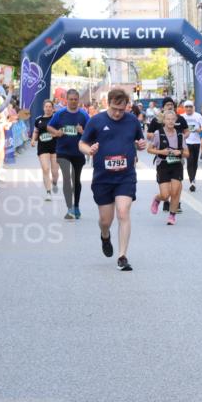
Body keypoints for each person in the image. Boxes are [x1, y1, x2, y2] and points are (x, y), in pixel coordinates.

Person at [79, 88, 147, 271]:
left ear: (127, 106)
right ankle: (104, 235)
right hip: (103, 177)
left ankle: (122, 256)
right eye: (114, 108)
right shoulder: (96, 121)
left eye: (121, 109)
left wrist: (142, 145)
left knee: (123, 212)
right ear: (107, 103)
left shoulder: (132, 121)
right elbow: (82, 143)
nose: (118, 113)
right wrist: (89, 150)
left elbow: (141, 142)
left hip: (125, 176)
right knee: (105, 220)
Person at [49, 89, 91, 220]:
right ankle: (69, 208)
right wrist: (56, 132)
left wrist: (82, 131)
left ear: (78, 100)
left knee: (76, 180)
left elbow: (91, 133)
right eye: (71, 99)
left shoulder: (84, 115)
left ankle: (76, 206)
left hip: (78, 152)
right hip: (63, 152)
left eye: (75, 99)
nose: (73, 101)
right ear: (66, 100)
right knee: (67, 178)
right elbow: (49, 127)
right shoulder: (60, 114)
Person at [147, 110, 186, 225]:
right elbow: (149, 149)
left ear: (175, 121)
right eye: (168, 119)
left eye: (172, 119)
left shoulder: (180, 134)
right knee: (165, 194)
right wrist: (162, 152)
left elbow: (187, 153)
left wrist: (180, 152)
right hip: (163, 164)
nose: (170, 121)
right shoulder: (158, 134)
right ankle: (157, 199)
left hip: (177, 165)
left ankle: (172, 215)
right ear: (164, 120)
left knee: (175, 192)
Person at [30, 99, 60, 198]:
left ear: (53, 108)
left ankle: (54, 182)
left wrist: (55, 134)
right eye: (46, 107)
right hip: (43, 147)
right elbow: (36, 131)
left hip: (55, 147)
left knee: (55, 172)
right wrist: (33, 140)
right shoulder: (38, 119)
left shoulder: (56, 119)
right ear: (43, 108)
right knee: (45, 169)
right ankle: (48, 192)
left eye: (50, 107)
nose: (48, 108)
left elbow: (61, 131)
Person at [182, 100, 202, 192]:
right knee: (189, 161)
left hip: (196, 142)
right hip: (186, 142)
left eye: (190, 107)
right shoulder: (182, 117)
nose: (188, 108)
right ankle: (192, 181)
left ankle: (193, 178)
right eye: (186, 107)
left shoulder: (198, 116)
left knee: (194, 162)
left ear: (193, 107)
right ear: (184, 108)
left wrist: (200, 129)